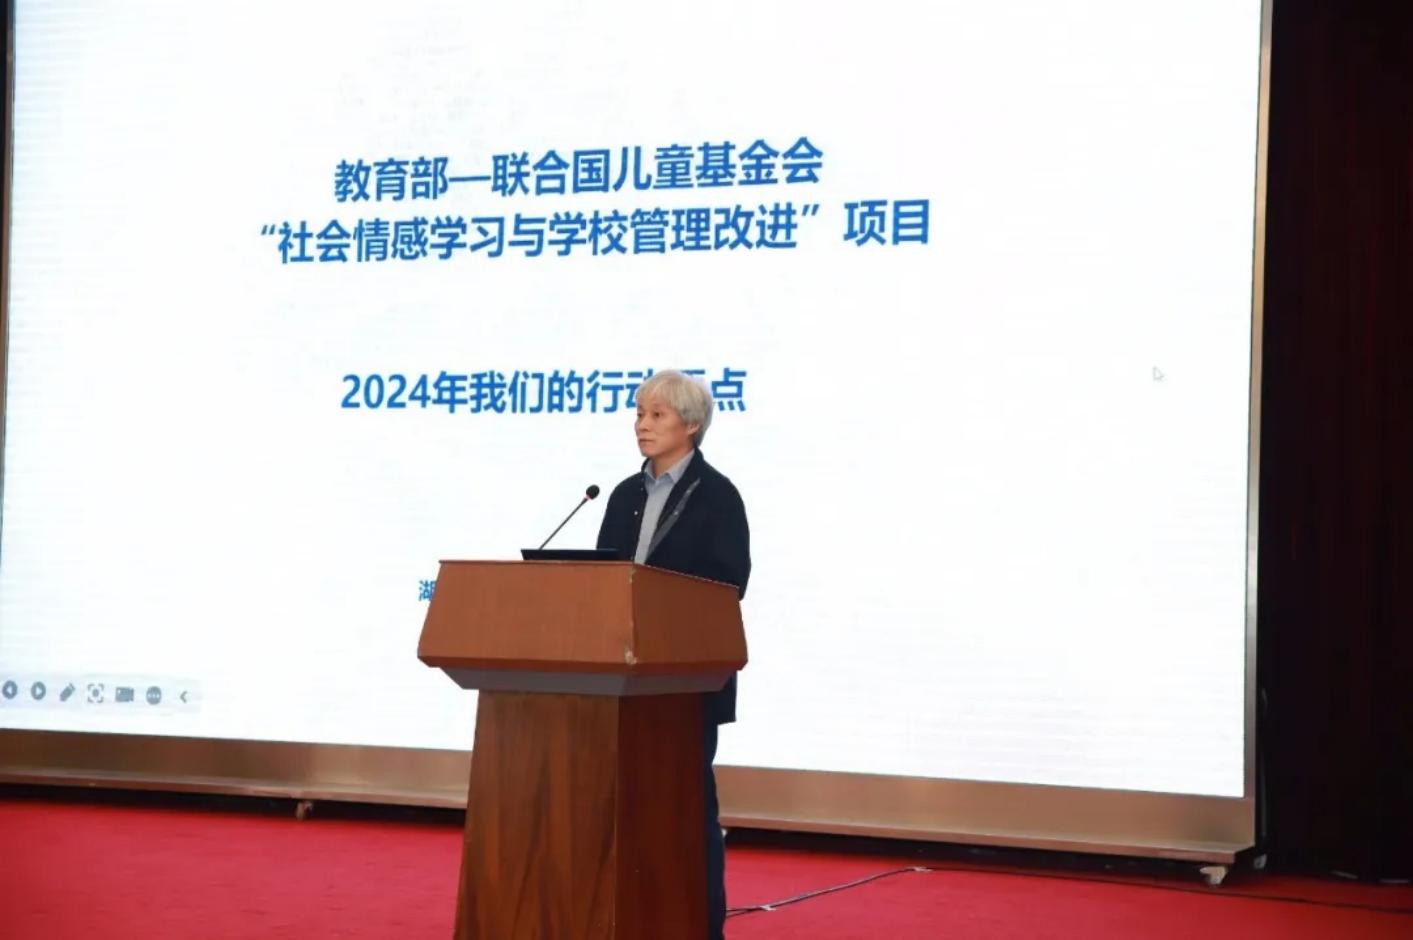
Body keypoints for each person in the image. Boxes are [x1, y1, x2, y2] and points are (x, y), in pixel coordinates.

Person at [596, 369, 750, 940]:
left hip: (686, 683)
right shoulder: (623, 494)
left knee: (685, 809)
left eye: (656, 415)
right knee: (620, 808)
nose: (642, 424)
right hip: (617, 680)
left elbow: (729, 584)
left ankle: (700, 927)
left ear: (690, 424)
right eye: (639, 413)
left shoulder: (717, 496)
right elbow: (602, 582)